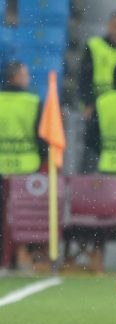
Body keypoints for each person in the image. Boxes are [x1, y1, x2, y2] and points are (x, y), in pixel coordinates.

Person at [0, 62, 48, 270]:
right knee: (27, 217)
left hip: (2, 169)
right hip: (27, 169)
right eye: (25, 74)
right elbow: (42, 139)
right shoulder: (33, 102)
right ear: (15, 77)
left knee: (4, 216)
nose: (28, 78)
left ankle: (6, 257)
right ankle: (26, 253)